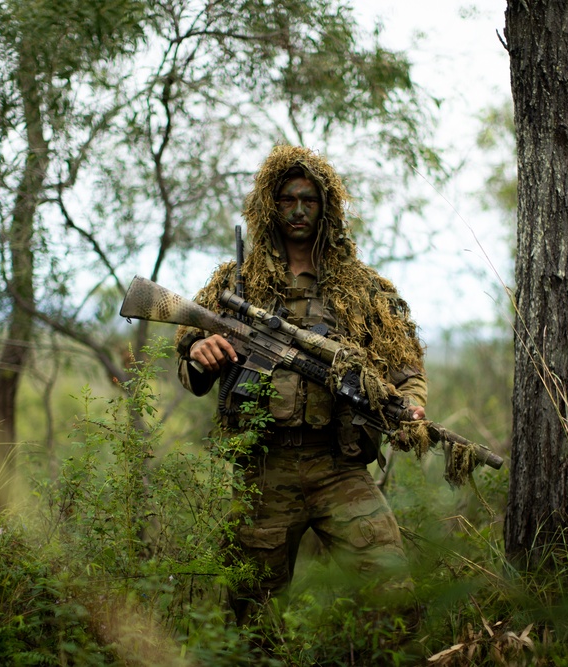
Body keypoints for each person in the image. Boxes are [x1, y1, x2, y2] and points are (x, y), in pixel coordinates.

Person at [174, 145, 427, 623]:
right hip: (263, 472)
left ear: (325, 208)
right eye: (287, 198)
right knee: (252, 620)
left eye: (308, 200)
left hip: (340, 467)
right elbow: (192, 371)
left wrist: (411, 407)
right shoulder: (236, 283)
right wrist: (200, 353)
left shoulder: (362, 288)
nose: (296, 210)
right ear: (270, 205)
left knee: (392, 598)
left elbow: (406, 368)